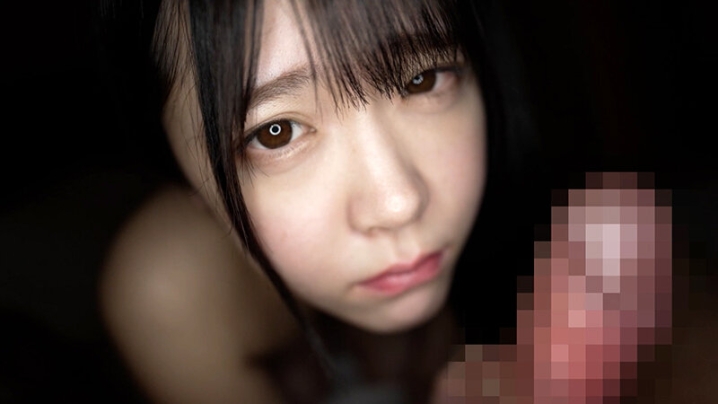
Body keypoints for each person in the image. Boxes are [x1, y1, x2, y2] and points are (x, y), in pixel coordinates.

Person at [97, 0, 692, 403]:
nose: (399, 202)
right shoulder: (171, 291)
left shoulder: (597, 242)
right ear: (174, 164)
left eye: (422, 80)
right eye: (275, 132)